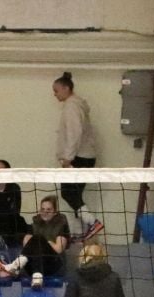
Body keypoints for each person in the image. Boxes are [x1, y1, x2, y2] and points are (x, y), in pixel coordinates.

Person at [53, 71, 102, 239]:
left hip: (79, 158)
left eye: (56, 90)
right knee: (75, 196)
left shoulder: (72, 106)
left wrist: (68, 157)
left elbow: (75, 132)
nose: (55, 94)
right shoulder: (75, 105)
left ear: (66, 88)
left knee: (68, 193)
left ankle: (92, 222)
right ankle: (82, 231)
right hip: (84, 157)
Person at [3, 195, 71, 282]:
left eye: (48, 209)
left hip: (53, 265)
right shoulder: (35, 224)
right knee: (35, 238)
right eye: (42, 209)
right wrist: (49, 242)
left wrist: (43, 243)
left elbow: (58, 249)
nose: (45, 212)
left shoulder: (61, 225)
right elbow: (26, 245)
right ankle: (36, 275)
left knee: (38, 238)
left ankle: (17, 265)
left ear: (55, 212)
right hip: (33, 265)